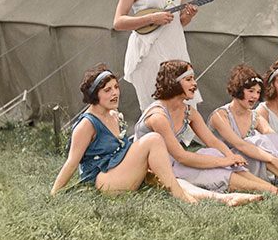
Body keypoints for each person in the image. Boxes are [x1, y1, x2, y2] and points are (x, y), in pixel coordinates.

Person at [50, 64, 240, 204]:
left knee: (173, 179)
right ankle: (182, 198)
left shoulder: (114, 114)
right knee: (154, 139)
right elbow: (72, 162)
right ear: (94, 95)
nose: (115, 93)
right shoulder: (87, 124)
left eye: (116, 87)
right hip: (104, 180)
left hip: (120, 172)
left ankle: (223, 198)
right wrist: (54, 195)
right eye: (107, 90)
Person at [133, 59, 264, 199]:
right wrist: (224, 161)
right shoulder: (158, 116)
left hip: (174, 163)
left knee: (214, 152)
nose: (194, 84)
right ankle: (257, 190)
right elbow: (181, 156)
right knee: (216, 168)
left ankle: (270, 188)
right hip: (155, 169)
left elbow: (212, 141)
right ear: (173, 82)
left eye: (193, 79)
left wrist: (230, 157)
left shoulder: (188, 111)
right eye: (188, 79)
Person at [113, 0, 202, 111]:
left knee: (183, 100)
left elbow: (177, 22)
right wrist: (152, 18)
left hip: (174, 46)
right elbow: (119, 22)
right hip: (150, 50)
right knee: (158, 104)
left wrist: (188, 16)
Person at [208, 63, 278, 192]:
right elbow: (240, 145)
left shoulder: (254, 116)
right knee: (257, 141)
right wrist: (273, 159)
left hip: (249, 162)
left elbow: (274, 137)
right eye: (251, 91)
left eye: (258, 92)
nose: (255, 96)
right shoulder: (221, 115)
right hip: (227, 163)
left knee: (269, 140)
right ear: (238, 89)